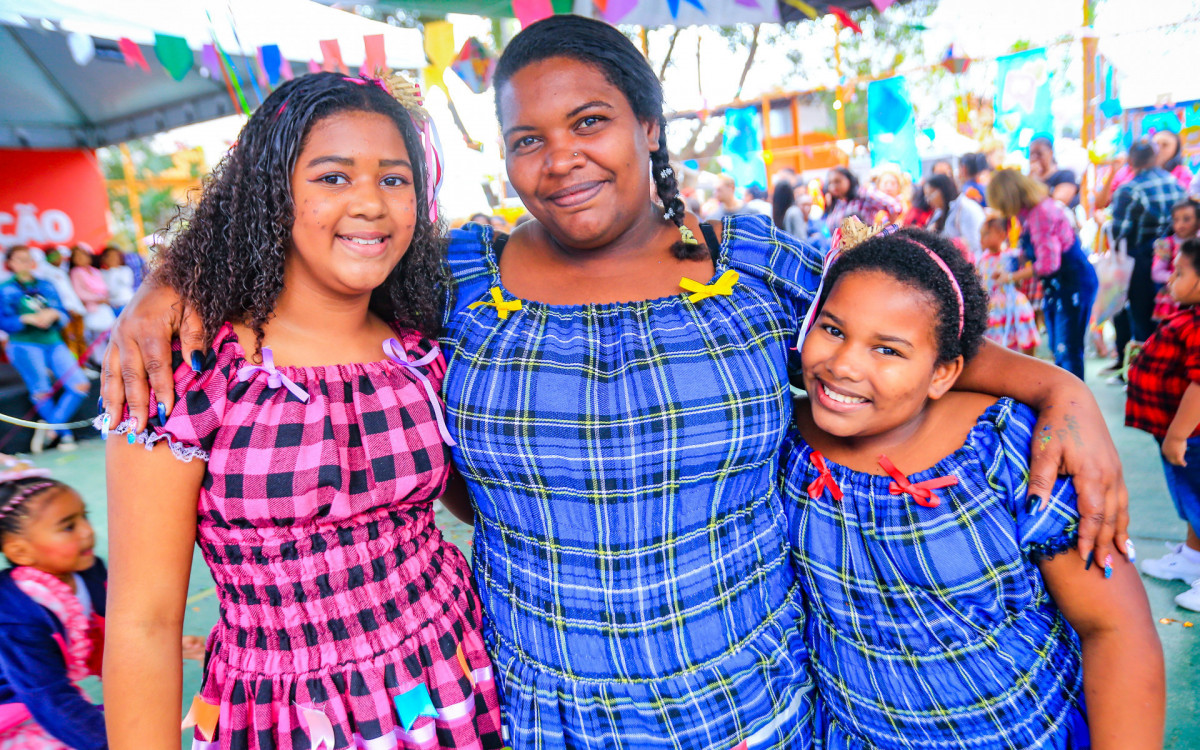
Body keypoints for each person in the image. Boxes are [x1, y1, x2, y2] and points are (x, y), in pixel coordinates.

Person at [102, 15, 1133, 750]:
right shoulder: (453, 278)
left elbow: (902, 332)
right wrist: (167, 283)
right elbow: (310, 268)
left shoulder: (758, 265)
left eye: (589, 121)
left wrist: (1059, 390)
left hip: (751, 701)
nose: (560, 160)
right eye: (527, 139)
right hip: (535, 708)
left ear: (648, 125)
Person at [100, 72, 504, 750]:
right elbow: (144, 620)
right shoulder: (189, 368)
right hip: (290, 716)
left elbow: (481, 500)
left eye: (395, 179)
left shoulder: (420, 347)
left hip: (457, 674)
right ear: (271, 193)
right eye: (333, 178)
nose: (371, 203)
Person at [780, 222, 1164, 749]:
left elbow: (1115, 629)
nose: (844, 365)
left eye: (888, 350)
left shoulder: (1004, 448)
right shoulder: (782, 440)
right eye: (833, 329)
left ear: (944, 373)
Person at [0, 466, 107, 749]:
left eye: (85, 517)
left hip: (48, 701)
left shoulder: (89, 572)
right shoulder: (15, 617)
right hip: (16, 715)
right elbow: (47, 696)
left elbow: (107, 632)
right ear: (19, 551)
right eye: (68, 526)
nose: (87, 532)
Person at [1127, 238, 1200, 611]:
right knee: (1190, 498)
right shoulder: (1189, 316)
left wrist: (1178, 434)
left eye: (1180, 272)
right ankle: (1193, 555)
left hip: (1191, 436)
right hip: (1179, 432)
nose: (1171, 278)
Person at [988, 170, 1098, 380]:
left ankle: (1072, 403)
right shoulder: (1029, 213)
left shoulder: (1041, 213)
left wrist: (1011, 277)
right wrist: (1011, 265)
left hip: (1072, 284)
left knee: (1068, 350)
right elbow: (1032, 249)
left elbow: (1048, 264)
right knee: (1059, 348)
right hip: (1058, 287)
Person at [0, 246, 89, 453]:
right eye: (20, 259)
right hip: (24, 344)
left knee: (80, 385)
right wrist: (24, 318)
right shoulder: (5, 288)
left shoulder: (46, 284)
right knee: (41, 391)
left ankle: (50, 429)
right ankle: (65, 435)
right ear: (10, 263)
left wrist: (54, 315)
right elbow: (4, 321)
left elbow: (63, 313)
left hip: (54, 341)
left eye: (28, 258)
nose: (25, 263)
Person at [1111, 139, 1187, 343]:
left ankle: (1146, 365)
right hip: (1173, 259)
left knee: (1142, 316)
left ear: (1130, 161)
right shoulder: (1175, 183)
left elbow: (1119, 233)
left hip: (1141, 260)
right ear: (1154, 158)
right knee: (1168, 313)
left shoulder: (1129, 190)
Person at [978, 215, 1039, 354]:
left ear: (1001, 234)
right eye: (981, 235)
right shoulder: (982, 259)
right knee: (996, 343)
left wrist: (1010, 277)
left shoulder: (1012, 255)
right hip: (992, 306)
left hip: (1012, 304)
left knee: (1022, 336)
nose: (982, 239)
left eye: (987, 234)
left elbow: (1025, 274)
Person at [1151, 199, 1200, 323]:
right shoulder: (1166, 244)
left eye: (1186, 219)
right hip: (1172, 299)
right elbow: (1156, 272)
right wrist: (1177, 278)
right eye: (1176, 220)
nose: (1180, 225)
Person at [823, 166, 901, 233]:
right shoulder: (837, 203)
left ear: (849, 180)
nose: (833, 186)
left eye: (837, 181)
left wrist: (886, 231)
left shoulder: (863, 193)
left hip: (864, 247)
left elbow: (894, 206)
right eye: (830, 183)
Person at [924, 173, 985, 259]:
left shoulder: (967, 208)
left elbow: (975, 243)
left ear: (943, 190)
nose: (928, 200)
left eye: (931, 195)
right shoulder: (939, 212)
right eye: (926, 196)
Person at [69, 245, 114, 338]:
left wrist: (105, 298)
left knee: (112, 336)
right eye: (76, 256)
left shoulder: (95, 271)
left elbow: (105, 288)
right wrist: (98, 298)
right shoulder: (76, 272)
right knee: (98, 341)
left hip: (105, 308)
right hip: (92, 310)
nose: (79, 258)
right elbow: (80, 293)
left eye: (82, 255)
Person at [1029, 135, 1079, 208]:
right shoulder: (1028, 178)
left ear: (1050, 153)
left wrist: (1036, 181)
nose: (1034, 158)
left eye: (1039, 153)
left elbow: (1058, 203)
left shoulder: (1065, 175)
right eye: (1032, 154)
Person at [98, 246, 135, 317]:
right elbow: (110, 289)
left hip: (128, 303)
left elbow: (126, 283)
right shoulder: (102, 273)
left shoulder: (125, 270)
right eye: (110, 256)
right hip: (113, 307)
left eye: (115, 256)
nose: (113, 258)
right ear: (103, 258)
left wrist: (114, 269)